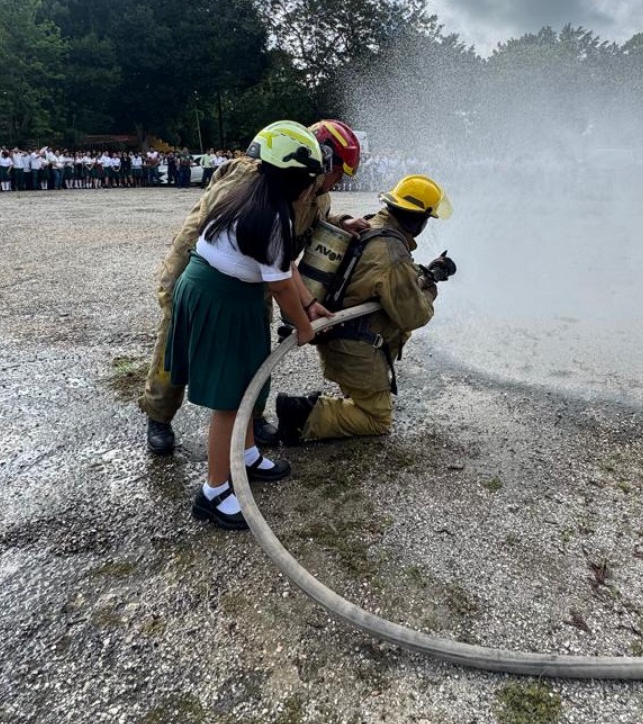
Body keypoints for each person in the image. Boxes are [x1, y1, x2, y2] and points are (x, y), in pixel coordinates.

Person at [139, 119, 368, 455]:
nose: (337, 182)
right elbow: (209, 228)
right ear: (322, 159)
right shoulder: (252, 176)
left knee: (253, 349)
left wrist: (341, 223)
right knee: (177, 342)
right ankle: (159, 415)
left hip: (259, 279)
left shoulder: (319, 198)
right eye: (338, 173)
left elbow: (301, 237)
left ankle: (252, 415)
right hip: (203, 271)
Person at [164, 120, 325, 530]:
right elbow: (282, 289)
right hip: (221, 299)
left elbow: (284, 267)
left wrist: (310, 305)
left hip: (228, 295)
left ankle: (246, 455)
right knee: (230, 401)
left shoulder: (251, 194)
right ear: (298, 180)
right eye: (312, 178)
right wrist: (304, 328)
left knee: (249, 380)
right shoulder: (273, 216)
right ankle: (214, 492)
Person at [275, 174, 455, 445]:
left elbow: (384, 281)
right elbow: (413, 314)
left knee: (369, 399)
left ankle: (354, 393)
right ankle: (302, 416)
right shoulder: (391, 251)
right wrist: (432, 285)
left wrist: (423, 274)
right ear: (417, 220)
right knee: (376, 419)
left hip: (337, 335)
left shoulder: (371, 225)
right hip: (353, 348)